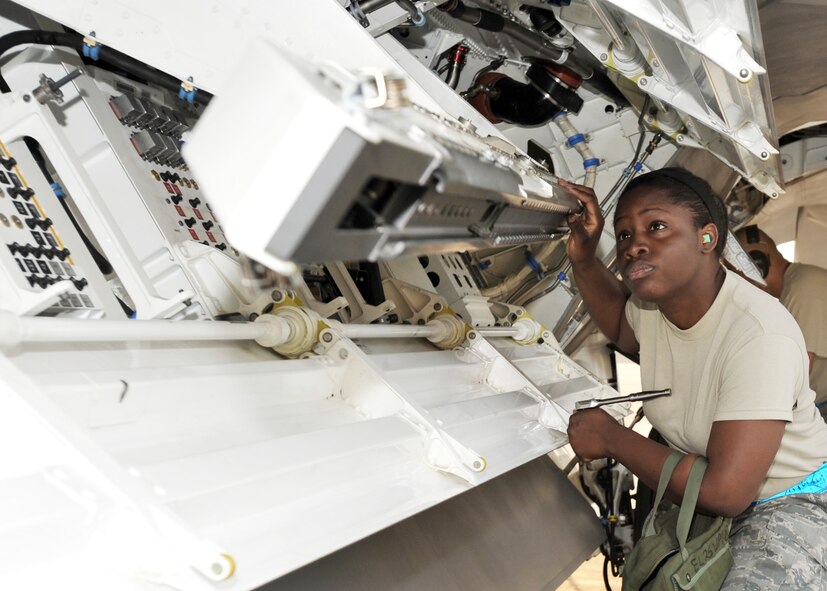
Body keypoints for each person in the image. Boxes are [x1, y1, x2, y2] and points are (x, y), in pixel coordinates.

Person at [560, 167, 827, 589]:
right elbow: (620, 325)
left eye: (657, 226)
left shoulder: (757, 334)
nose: (635, 246)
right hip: (716, 497)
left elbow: (727, 491)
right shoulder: (657, 308)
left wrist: (612, 439)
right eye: (625, 234)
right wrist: (583, 258)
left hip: (790, 501)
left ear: (707, 238)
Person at [734, 224, 827, 419]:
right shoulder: (794, 285)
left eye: (736, 268)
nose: (737, 279)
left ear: (757, 262)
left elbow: (799, 370)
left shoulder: (803, 287)